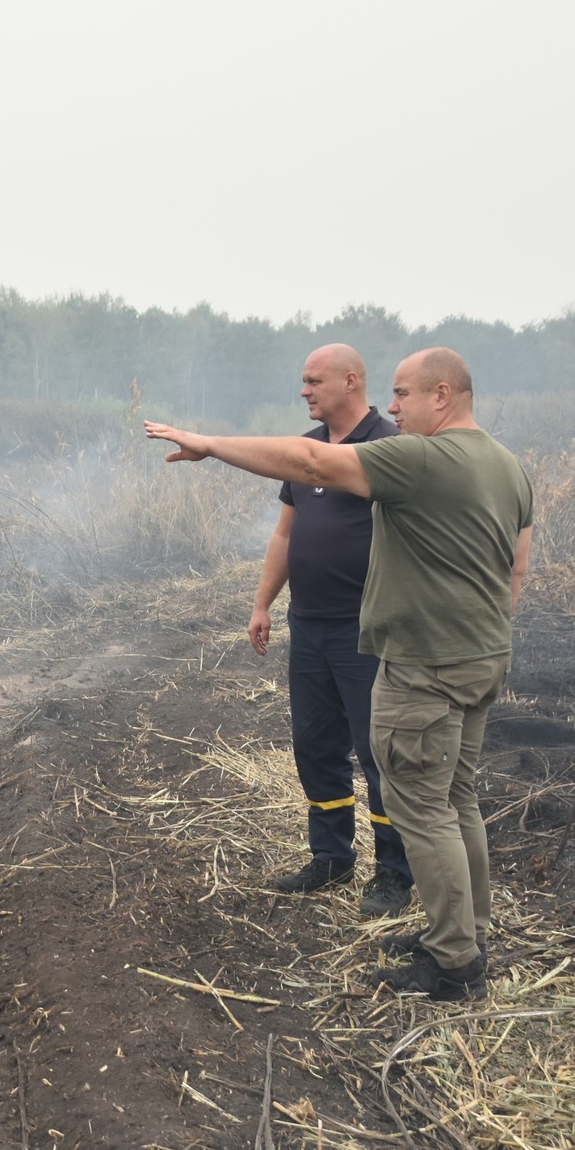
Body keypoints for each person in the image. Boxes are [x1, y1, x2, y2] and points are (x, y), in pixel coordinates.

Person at [145, 347, 532, 1001]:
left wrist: (209, 443)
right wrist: (482, 630)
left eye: (404, 394)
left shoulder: (427, 458)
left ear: (443, 394)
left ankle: (455, 961)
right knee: (457, 798)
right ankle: (467, 929)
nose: (396, 407)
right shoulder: (506, 463)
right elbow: (516, 567)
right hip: (479, 656)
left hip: (426, 664)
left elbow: (309, 461)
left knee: (422, 805)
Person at [251, 344, 413, 916]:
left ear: (350, 382)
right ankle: (331, 858)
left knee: (379, 751)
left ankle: (394, 872)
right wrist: (264, 602)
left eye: (313, 381)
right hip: (309, 626)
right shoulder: (306, 451)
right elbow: (286, 536)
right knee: (315, 745)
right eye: (302, 381)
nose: (304, 391)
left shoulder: (389, 447)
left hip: (368, 631)